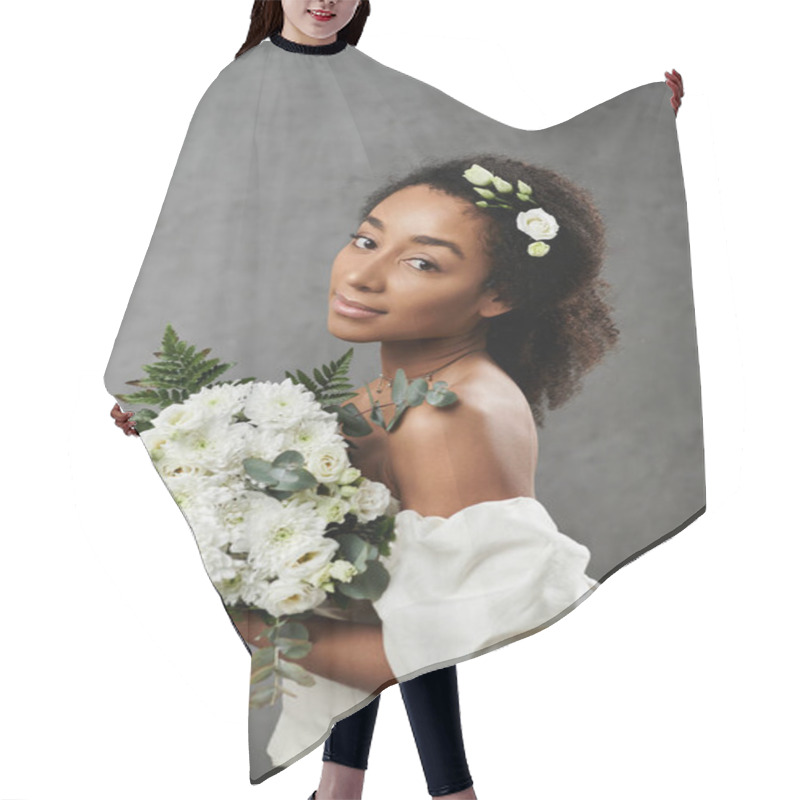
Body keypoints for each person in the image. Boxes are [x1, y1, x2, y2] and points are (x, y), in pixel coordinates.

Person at [108, 4, 685, 799]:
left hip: (417, 515)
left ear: (500, 294)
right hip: (382, 459)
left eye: (423, 263)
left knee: (385, 595)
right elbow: (203, 239)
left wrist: (636, 125)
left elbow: (425, 629)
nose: (361, 275)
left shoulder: (446, 411)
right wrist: (164, 397)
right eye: (367, 237)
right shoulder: (243, 90)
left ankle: (445, 794)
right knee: (362, 570)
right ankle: (343, 784)